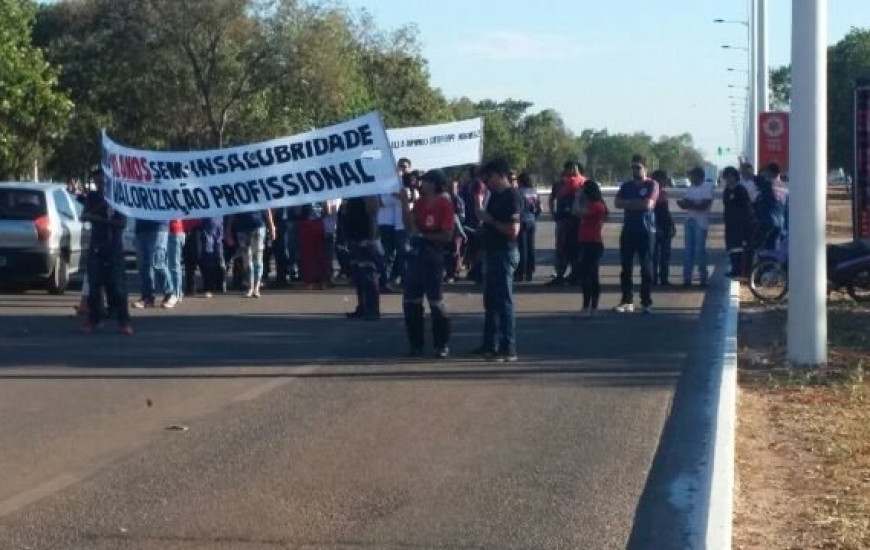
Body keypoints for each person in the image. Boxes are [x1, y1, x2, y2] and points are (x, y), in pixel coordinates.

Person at [472, 159, 523, 362]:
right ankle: (490, 344)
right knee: (491, 301)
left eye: (489, 177)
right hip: (492, 252)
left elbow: (513, 231)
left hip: (505, 252)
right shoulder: (495, 196)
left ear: (500, 175)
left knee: (503, 302)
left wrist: (490, 221)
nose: (487, 182)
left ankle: (508, 348)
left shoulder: (512, 197)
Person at [400, 170, 455, 358]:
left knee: (436, 302)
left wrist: (424, 236)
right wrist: (404, 204)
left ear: (434, 184)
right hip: (416, 257)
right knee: (411, 302)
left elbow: (447, 235)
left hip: (433, 258)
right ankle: (416, 344)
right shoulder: (421, 203)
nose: (421, 184)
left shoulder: (444, 204)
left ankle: (441, 344)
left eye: (425, 181)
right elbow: (410, 227)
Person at [80, 170, 132, 334]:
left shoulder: (118, 199)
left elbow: (121, 223)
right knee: (94, 285)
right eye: (97, 182)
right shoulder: (93, 198)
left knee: (117, 286)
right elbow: (84, 216)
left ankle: (124, 321)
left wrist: (100, 217)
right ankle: (94, 319)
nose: (100, 185)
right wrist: (101, 212)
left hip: (114, 247)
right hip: (97, 246)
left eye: (102, 182)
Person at [614, 155, 658, 314]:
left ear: (645, 169)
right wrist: (635, 203)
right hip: (628, 230)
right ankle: (627, 300)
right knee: (626, 267)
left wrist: (630, 203)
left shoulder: (652, 184)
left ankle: (646, 302)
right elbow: (617, 203)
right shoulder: (626, 186)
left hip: (645, 231)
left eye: (638, 167)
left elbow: (648, 204)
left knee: (646, 267)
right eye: (633, 167)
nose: (635, 170)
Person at [547, 161, 586, 286]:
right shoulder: (560, 184)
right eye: (568, 168)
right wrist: (553, 212)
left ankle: (575, 274)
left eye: (573, 168)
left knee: (575, 248)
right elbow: (552, 198)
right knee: (561, 248)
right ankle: (560, 274)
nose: (570, 171)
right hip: (563, 219)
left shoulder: (582, 182)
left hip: (577, 220)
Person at [344, 195, 381, 320]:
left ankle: (372, 310)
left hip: (365, 238)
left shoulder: (368, 193)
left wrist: (371, 238)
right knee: (358, 276)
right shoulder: (352, 194)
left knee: (368, 275)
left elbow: (373, 215)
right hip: (354, 237)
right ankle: (362, 307)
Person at [225, 209, 276, 298]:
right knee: (247, 259)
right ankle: (250, 287)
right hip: (241, 228)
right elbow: (232, 212)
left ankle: (256, 288)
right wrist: (228, 231)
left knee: (258, 258)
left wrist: (271, 226)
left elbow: (266, 210)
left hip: (258, 226)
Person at [678, 166, 714, 287]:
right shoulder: (691, 188)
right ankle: (687, 278)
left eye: (692, 176)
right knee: (688, 251)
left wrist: (690, 204)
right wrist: (685, 204)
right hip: (689, 220)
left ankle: (703, 278)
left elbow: (704, 205)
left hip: (701, 222)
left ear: (699, 176)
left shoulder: (707, 187)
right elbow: (685, 203)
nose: (690, 178)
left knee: (700, 252)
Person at [576, 180, 608, 317]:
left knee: (589, 276)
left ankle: (589, 307)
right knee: (588, 275)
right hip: (586, 241)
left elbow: (577, 211)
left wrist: (577, 198)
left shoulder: (596, 206)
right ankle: (590, 307)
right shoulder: (593, 204)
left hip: (592, 243)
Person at [721, 166, 754, 277]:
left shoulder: (741, 189)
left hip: (741, 224)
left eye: (731, 176)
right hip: (730, 224)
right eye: (726, 177)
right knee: (732, 248)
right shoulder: (726, 190)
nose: (729, 179)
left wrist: (746, 224)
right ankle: (735, 268)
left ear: (735, 177)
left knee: (740, 248)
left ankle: (741, 271)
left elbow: (747, 208)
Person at [132, 215, 170, 309]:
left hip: (158, 226)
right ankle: (147, 297)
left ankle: (169, 293)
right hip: (141, 228)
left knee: (157, 262)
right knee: (143, 265)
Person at [650, 170, 676, 286]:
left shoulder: (664, 193)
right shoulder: (652, 193)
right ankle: (653, 278)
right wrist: (656, 227)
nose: (665, 181)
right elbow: (651, 212)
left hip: (666, 226)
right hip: (656, 227)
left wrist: (672, 225)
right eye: (664, 178)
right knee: (654, 256)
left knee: (665, 255)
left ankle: (664, 278)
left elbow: (666, 211)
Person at [296, 202, 328, 289]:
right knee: (320, 254)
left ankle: (310, 282)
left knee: (307, 255)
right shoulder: (322, 194)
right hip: (319, 223)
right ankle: (323, 281)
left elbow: (297, 212)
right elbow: (327, 211)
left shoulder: (302, 196)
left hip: (306, 224)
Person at [517, 172, 542, 282]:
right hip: (531, 220)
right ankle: (530, 271)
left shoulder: (519, 192)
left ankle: (521, 272)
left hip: (522, 220)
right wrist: (534, 216)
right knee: (531, 247)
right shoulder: (534, 192)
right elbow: (540, 208)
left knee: (522, 248)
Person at [752, 175, 785, 251]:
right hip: (779, 223)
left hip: (768, 223)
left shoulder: (764, 194)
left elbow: (758, 210)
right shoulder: (777, 194)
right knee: (773, 247)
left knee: (761, 247)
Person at [196, 216, 225, 297]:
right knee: (217, 254)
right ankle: (218, 285)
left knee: (209, 255)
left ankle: (210, 287)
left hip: (210, 222)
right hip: (216, 221)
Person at [446, 178, 467, 282]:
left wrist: (461, 232)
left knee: (455, 251)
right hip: (447, 229)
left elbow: (460, 217)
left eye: (454, 187)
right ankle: (450, 273)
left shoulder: (458, 200)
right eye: (449, 187)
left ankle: (454, 273)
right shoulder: (445, 199)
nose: (451, 189)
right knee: (449, 252)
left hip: (456, 230)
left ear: (457, 188)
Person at [164, 219, 185, 307]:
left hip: (175, 231)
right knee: (167, 264)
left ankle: (176, 294)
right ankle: (176, 292)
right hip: (167, 231)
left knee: (174, 264)